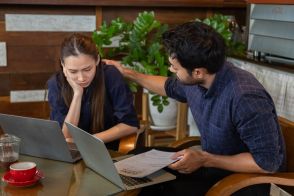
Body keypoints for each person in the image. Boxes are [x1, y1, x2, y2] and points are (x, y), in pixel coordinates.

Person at [105, 21, 286, 195]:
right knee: (136, 158)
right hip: (212, 164)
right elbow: (167, 86)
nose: (171, 70)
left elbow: (267, 164)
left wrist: (205, 159)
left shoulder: (245, 97)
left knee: (160, 189)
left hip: (245, 180)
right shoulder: (199, 78)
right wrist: (128, 73)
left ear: (198, 72)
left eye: (175, 68)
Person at [47, 33, 139, 150]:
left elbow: (130, 125)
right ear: (63, 65)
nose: (81, 78)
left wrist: (89, 141)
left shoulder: (111, 76)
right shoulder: (56, 83)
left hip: (108, 151)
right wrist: (77, 94)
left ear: (97, 60)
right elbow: (66, 138)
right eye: (73, 71)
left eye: (87, 69)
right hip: (73, 153)